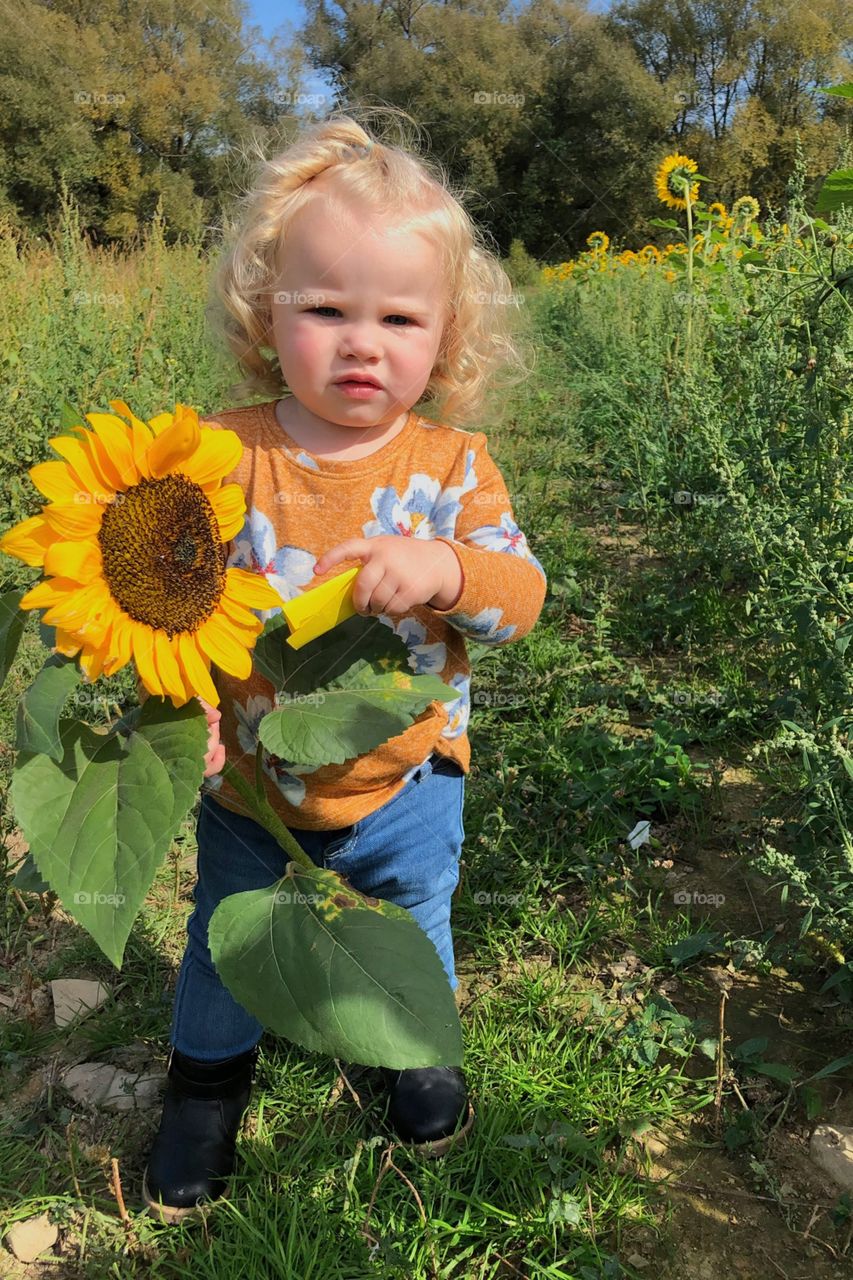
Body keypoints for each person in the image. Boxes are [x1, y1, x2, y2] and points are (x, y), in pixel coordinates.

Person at [142, 109, 548, 1224]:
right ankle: (206, 1085)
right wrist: (185, 701)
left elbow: (523, 597)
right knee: (227, 941)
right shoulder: (223, 454)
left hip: (407, 778)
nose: (361, 341)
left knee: (405, 924)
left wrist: (443, 568)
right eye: (325, 308)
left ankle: (410, 1044)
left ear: (445, 335)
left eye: (397, 316)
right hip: (250, 790)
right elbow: (171, 604)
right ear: (266, 316)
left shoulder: (451, 465)